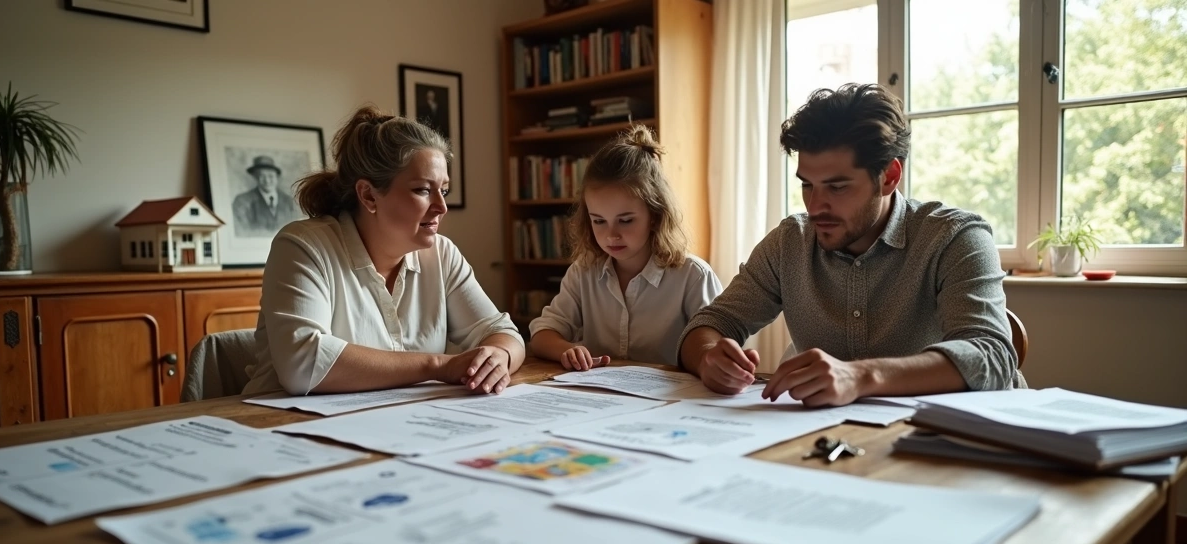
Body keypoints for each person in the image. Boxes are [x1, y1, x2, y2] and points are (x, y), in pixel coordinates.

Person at [679, 83, 1019, 406]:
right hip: (839, 438)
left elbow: (992, 355)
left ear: (889, 177)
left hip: (950, 441)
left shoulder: (955, 237)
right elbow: (710, 323)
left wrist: (860, 376)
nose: (815, 207)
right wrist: (710, 357)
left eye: (837, 187)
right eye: (807, 185)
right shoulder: (790, 242)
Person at [243, 106, 524, 396]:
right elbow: (302, 364)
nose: (442, 207)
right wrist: (438, 365)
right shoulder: (302, 246)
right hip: (278, 427)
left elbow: (504, 332)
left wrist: (498, 356)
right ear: (368, 195)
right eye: (423, 190)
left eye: (444, 190)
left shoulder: (441, 254)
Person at [529, 125, 723, 370]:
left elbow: (717, 350)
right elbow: (542, 334)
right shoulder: (584, 272)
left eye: (626, 220)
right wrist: (567, 349)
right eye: (599, 221)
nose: (611, 235)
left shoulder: (693, 276)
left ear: (654, 215)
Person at [232, 155, 302, 236]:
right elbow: (242, 232)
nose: (267, 180)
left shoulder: (290, 202)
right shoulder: (242, 201)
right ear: (256, 178)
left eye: (270, 176)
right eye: (262, 176)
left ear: (277, 177)